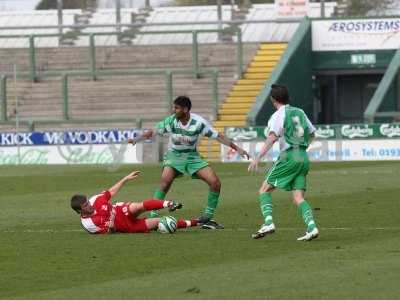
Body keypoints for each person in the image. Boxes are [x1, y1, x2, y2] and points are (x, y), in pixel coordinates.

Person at [129, 96, 250, 229]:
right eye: (173, 107)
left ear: (185, 109)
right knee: (165, 181)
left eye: (176, 108)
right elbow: (153, 131)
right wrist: (137, 139)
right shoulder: (172, 121)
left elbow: (218, 136)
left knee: (215, 182)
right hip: (174, 155)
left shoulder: (199, 123)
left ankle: (207, 218)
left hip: (192, 157)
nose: (173, 110)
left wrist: (238, 149)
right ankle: (153, 216)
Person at [248, 84, 319, 241]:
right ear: (288, 98)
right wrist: (302, 147)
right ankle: (312, 227)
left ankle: (268, 222)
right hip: (302, 157)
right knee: (298, 197)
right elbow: (312, 133)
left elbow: (272, 137)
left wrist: (257, 157)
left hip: (289, 157)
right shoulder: (299, 112)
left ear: (273, 99)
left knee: (264, 190)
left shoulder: (278, 115)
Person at [70, 170, 199, 234]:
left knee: (139, 206)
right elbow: (110, 231)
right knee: (160, 222)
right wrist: (111, 224)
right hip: (127, 227)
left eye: (88, 202)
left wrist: (125, 178)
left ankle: (168, 204)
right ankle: (197, 222)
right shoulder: (89, 224)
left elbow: (111, 191)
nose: (89, 205)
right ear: (79, 211)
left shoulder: (95, 200)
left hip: (121, 210)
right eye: (86, 205)